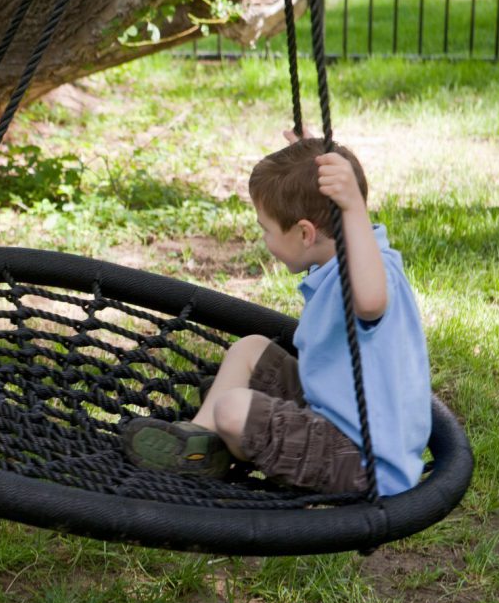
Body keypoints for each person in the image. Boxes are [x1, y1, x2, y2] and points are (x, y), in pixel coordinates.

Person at [123, 133, 431, 496]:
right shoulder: (342, 252)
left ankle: (220, 436)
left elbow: (371, 302)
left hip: (361, 462)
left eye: (265, 229)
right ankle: (199, 443)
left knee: (232, 409)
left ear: (305, 233)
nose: (265, 240)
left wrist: (352, 208)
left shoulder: (367, 274)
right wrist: (313, 166)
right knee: (251, 348)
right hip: (332, 411)